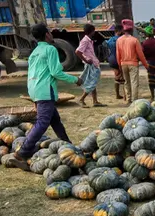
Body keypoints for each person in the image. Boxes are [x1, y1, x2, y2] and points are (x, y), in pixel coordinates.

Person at [8, 23, 81, 171]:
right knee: (42, 122)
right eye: (50, 32)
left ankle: (67, 144)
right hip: (44, 90)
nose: (51, 34)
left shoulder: (35, 51)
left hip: (34, 89)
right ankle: (22, 152)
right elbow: (55, 72)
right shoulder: (50, 49)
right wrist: (76, 79)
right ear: (47, 34)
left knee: (55, 120)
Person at [116, 19, 149, 104]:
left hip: (123, 64)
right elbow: (140, 55)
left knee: (126, 82)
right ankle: (134, 100)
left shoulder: (119, 40)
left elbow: (118, 54)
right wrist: (146, 65)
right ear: (131, 29)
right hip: (133, 64)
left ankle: (128, 99)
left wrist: (119, 65)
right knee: (134, 82)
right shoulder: (134, 40)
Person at [76, 24, 104, 107]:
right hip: (91, 64)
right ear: (92, 31)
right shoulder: (85, 41)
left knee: (93, 82)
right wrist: (86, 60)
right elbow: (78, 51)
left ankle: (95, 101)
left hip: (93, 63)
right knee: (92, 83)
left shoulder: (88, 40)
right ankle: (81, 99)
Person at [106, 24, 125, 101]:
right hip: (119, 60)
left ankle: (117, 94)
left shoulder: (110, 39)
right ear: (119, 31)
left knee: (117, 77)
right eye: (122, 31)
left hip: (112, 59)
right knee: (123, 78)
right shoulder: (121, 39)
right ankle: (126, 95)